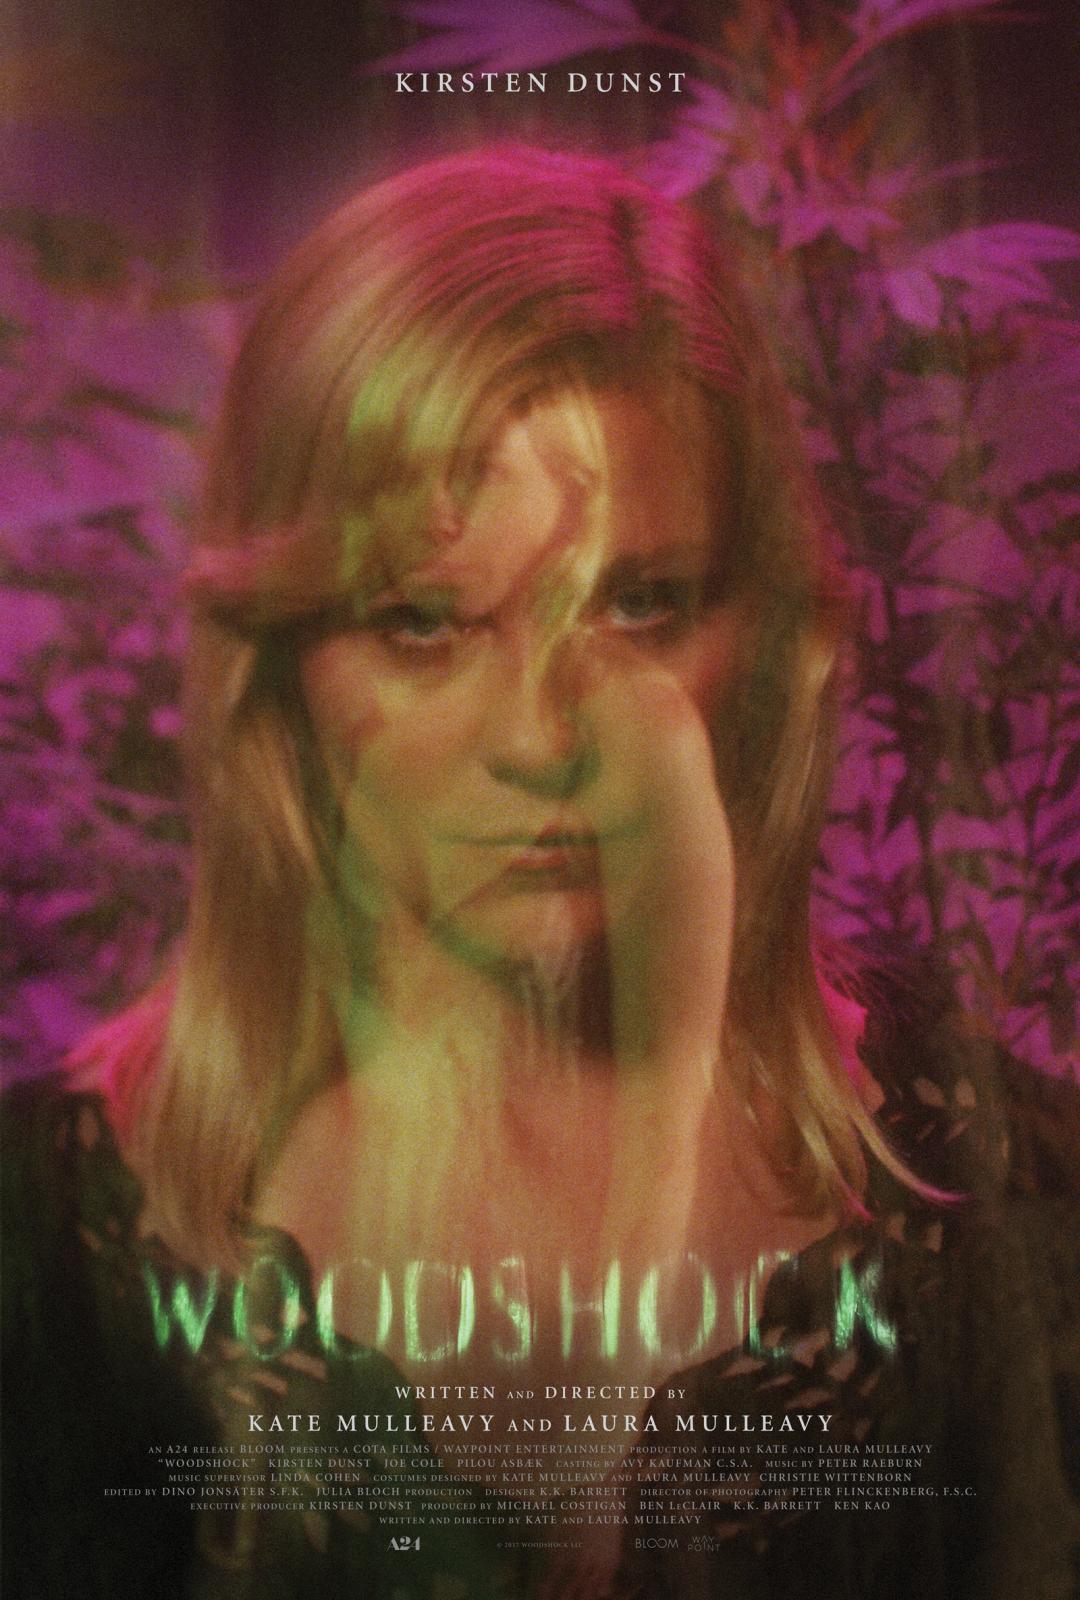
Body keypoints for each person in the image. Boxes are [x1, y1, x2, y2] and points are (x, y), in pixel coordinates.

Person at [2, 146, 1076, 1600]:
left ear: (763, 637)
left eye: (640, 605)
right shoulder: (52, 1248)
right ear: (281, 659)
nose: (541, 739)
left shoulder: (1009, 1199)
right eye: (423, 621)